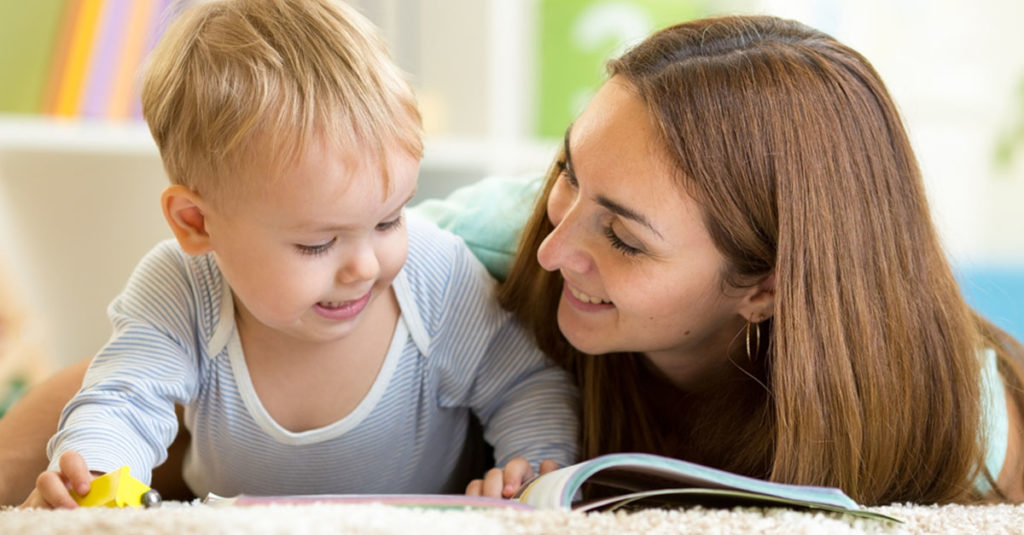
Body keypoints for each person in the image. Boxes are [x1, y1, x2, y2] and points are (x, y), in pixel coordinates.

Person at [3, 13, 1023, 507]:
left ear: (763, 283)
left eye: (622, 236)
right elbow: (157, 354)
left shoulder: (953, 417)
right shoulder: (468, 242)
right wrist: (84, 462)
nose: (554, 242)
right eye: (567, 170)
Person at [17, 0, 576, 509]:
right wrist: (94, 475)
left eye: (388, 220)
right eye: (318, 243)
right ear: (196, 223)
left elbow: (524, 384)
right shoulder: (180, 289)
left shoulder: (437, 275)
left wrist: (529, 471)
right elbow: (125, 397)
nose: (364, 266)